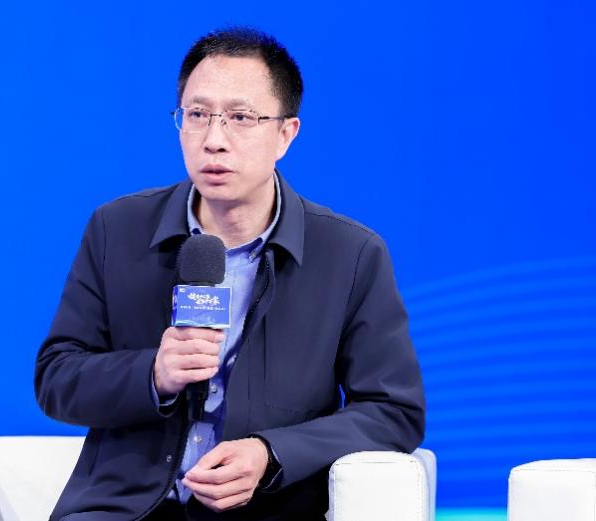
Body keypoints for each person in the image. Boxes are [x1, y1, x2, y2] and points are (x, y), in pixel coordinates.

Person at [35, 27, 425, 521]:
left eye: (240, 118)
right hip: (124, 509)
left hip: (268, 510)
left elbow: (394, 412)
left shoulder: (351, 255)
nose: (214, 140)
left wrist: (272, 453)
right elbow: (57, 378)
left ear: (286, 134)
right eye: (197, 115)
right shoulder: (117, 229)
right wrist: (152, 374)